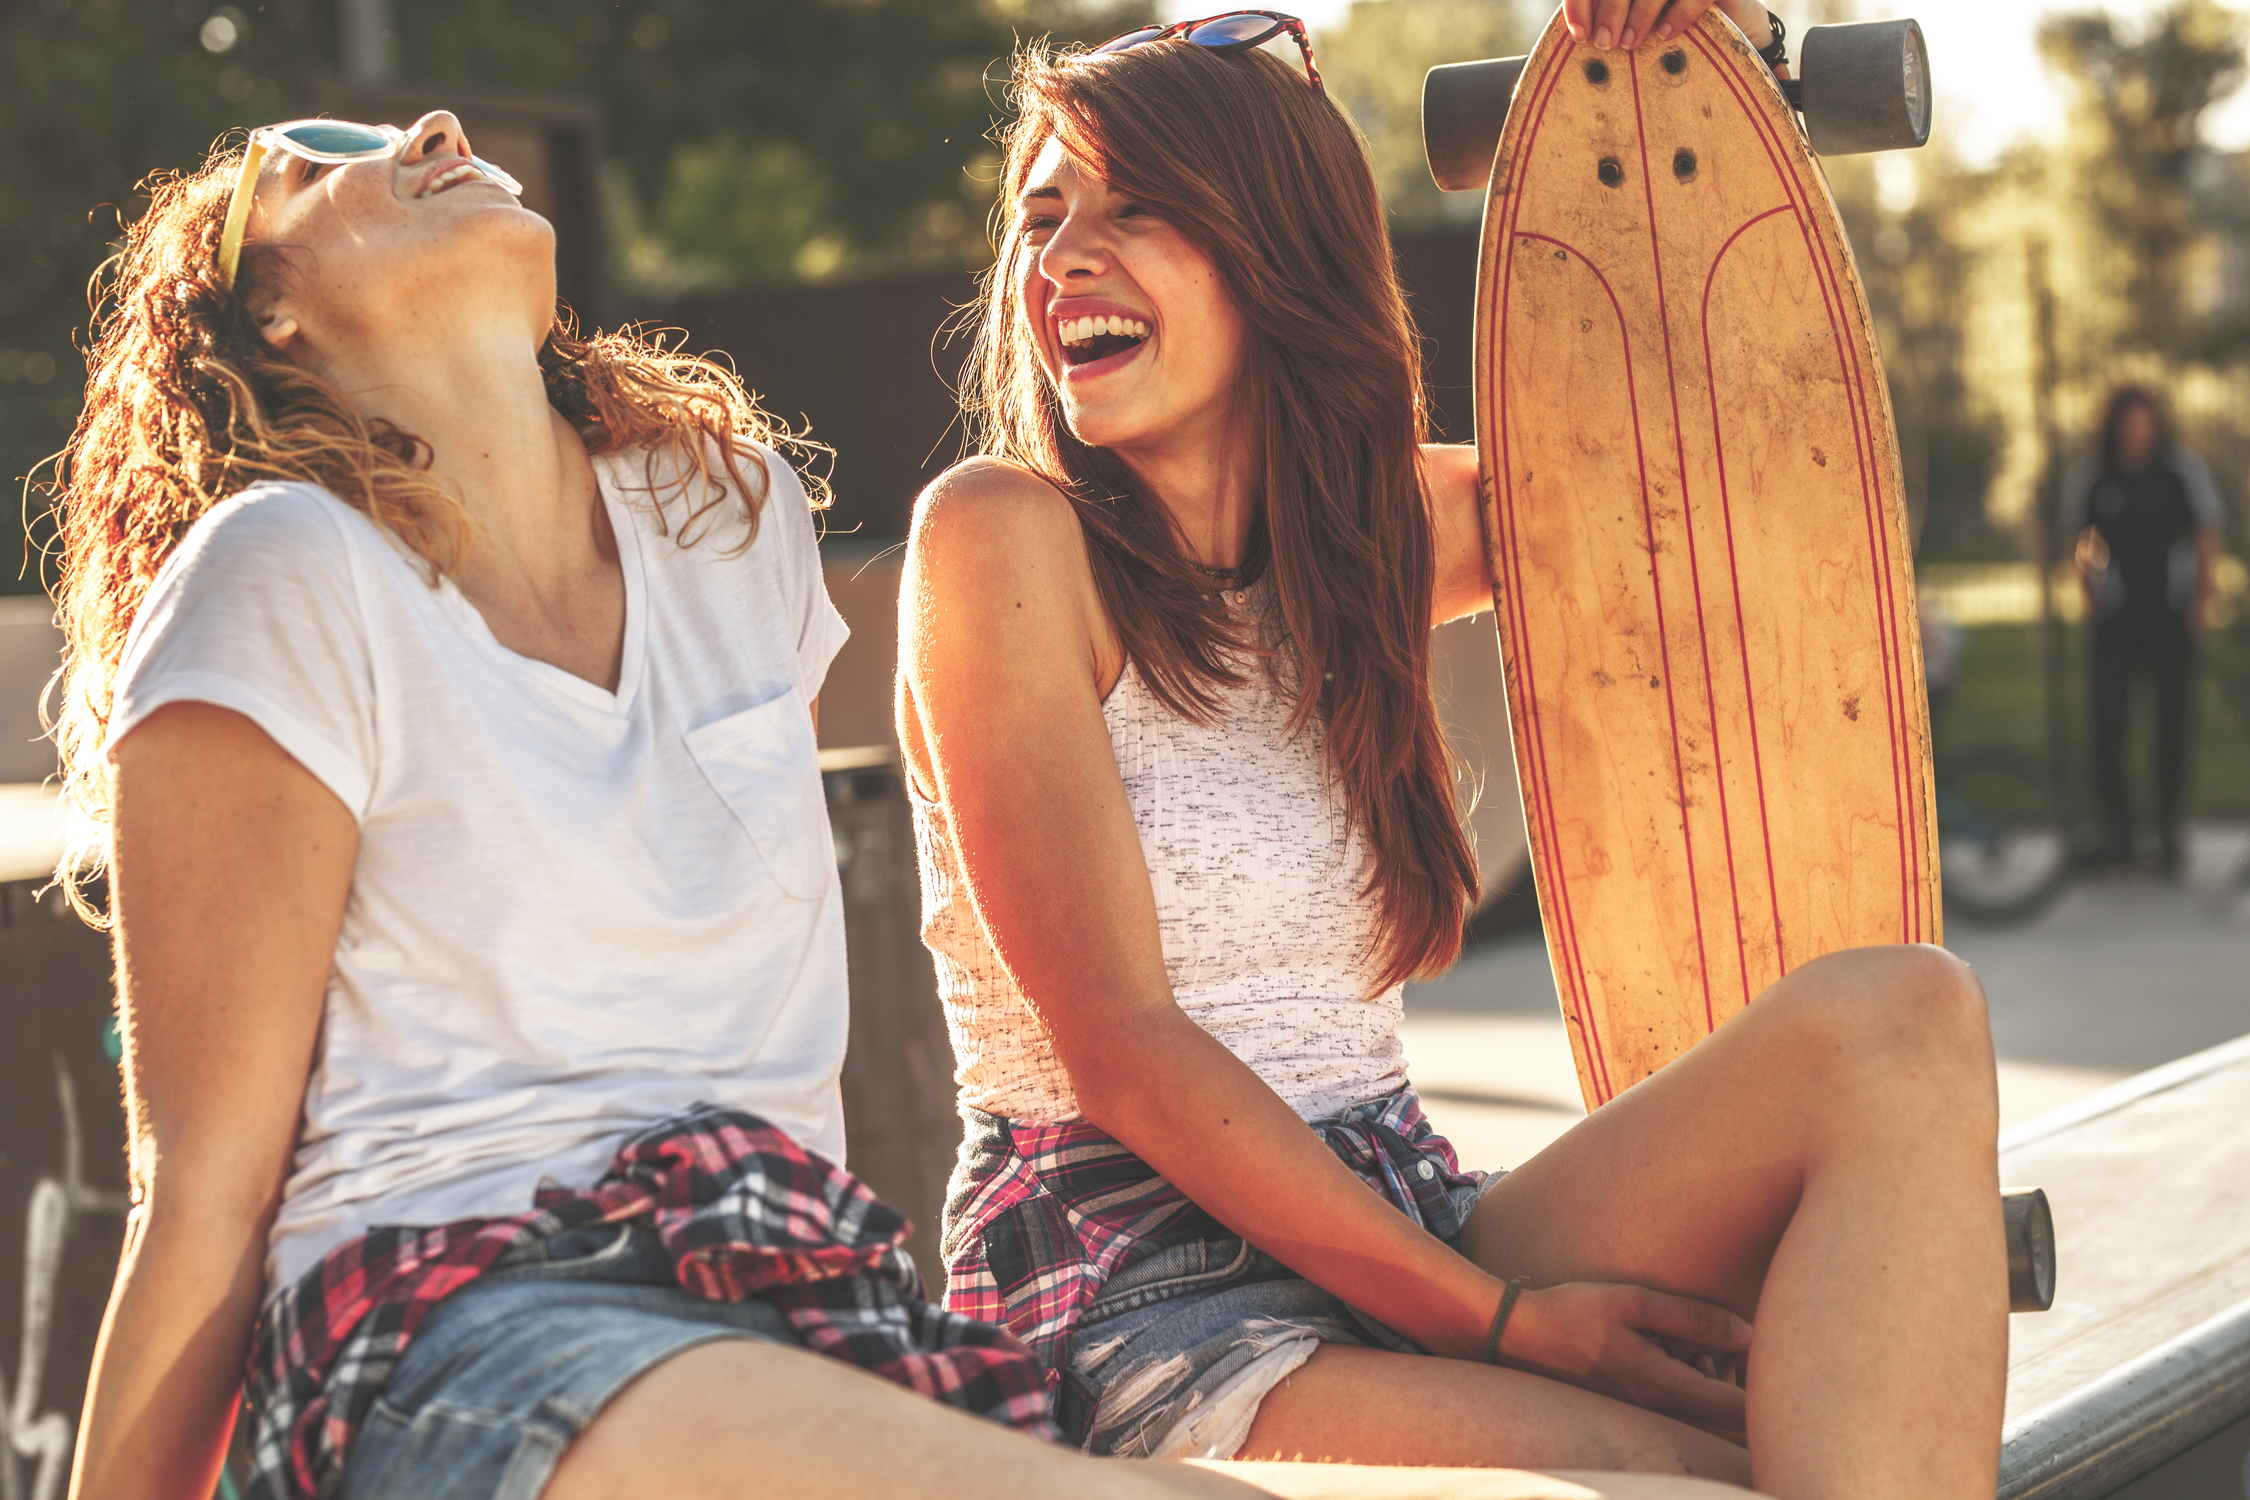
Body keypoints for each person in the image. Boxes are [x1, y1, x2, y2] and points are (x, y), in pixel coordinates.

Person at [53, 112, 1757, 1500]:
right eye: (324, 162)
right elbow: (202, 1190)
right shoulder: (281, 573)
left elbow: (1359, 541)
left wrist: (1634, 98)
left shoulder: (722, 523)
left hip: (799, 1295)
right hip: (463, 1317)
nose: (425, 129)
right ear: (270, 318)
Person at [898, 9, 2008, 1497]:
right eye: (1044, 219)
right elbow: (1123, 1050)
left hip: (1400, 1209)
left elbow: (1708, 437)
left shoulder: (1357, 548)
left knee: (1906, 1019)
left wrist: (1704, 39)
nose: (1064, 259)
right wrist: (1500, 1325)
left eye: (1136, 208)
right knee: (1724, 1478)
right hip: (1129, 1279)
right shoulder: (1002, 540)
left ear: (1273, 246)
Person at [2059, 386, 2225, 873]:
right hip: (2116, 620)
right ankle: (2118, 834)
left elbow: (2207, 531)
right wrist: (2088, 591)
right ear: (2114, 426)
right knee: (2108, 727)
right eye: (2129, 422)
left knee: (2172, 724)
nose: (2138, 432)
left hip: (2170, 616)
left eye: (2146, 422)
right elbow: (2075, 535)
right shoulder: (2093, 475)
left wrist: (2202, 598)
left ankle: (2167, 833)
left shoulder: (2181, 472)